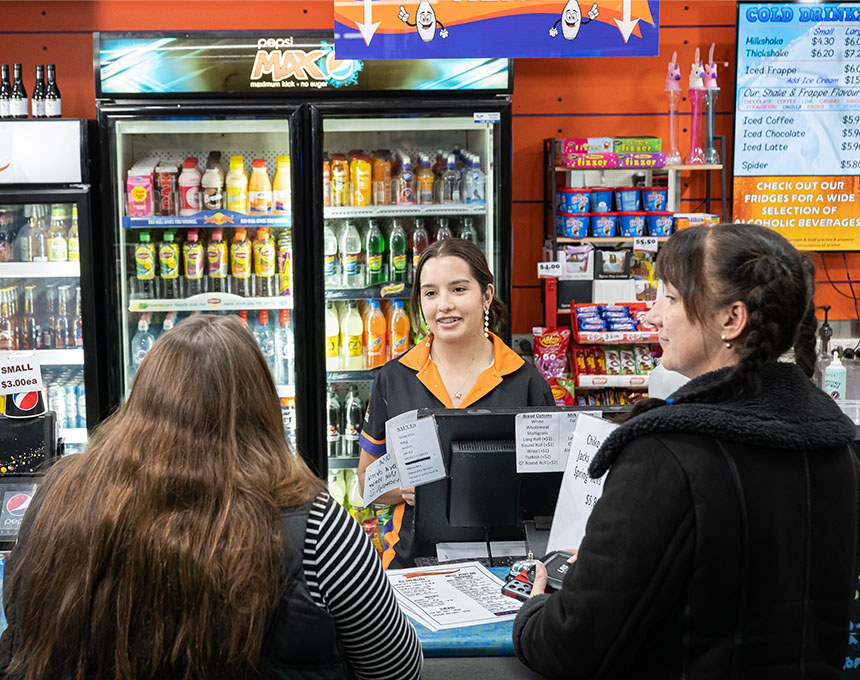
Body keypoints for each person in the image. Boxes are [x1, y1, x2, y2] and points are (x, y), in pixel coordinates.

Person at [513, 223, 860, 679]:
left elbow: (571, 645)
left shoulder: (666, 456)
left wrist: (536, 608)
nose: (652, 315)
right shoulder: (841, 447)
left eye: (671, 299)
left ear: (731, 320)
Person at [0, 315, 422, 680]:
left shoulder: (58, 493)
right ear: (262, 408)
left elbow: (22, 623)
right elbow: (395, 667)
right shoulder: (318, 526)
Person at [358, 237, 554, 568]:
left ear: (487, 296)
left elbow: (551, 494)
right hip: (411, 564)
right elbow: (366, 482)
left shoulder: (527, 383)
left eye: (459, 289)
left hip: (506, 567)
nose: (444, 305)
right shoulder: (394, 378)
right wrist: (400, 489)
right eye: (430, 293)